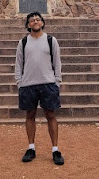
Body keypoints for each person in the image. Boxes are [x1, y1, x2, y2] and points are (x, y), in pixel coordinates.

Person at [14, 12, 64, 165]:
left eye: (37, 19)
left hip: (48, 83)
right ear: (28, 25)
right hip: (28, 84)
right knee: (30, 115)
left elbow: (57, 62)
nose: (35, 22)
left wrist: (57, 81)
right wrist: (19, 82)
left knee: (50, 115)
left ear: (42, 23)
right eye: (32, 20)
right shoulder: (23, 42)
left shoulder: (50, 40)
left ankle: (55, 149)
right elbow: (18, 63)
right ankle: (31, 148)